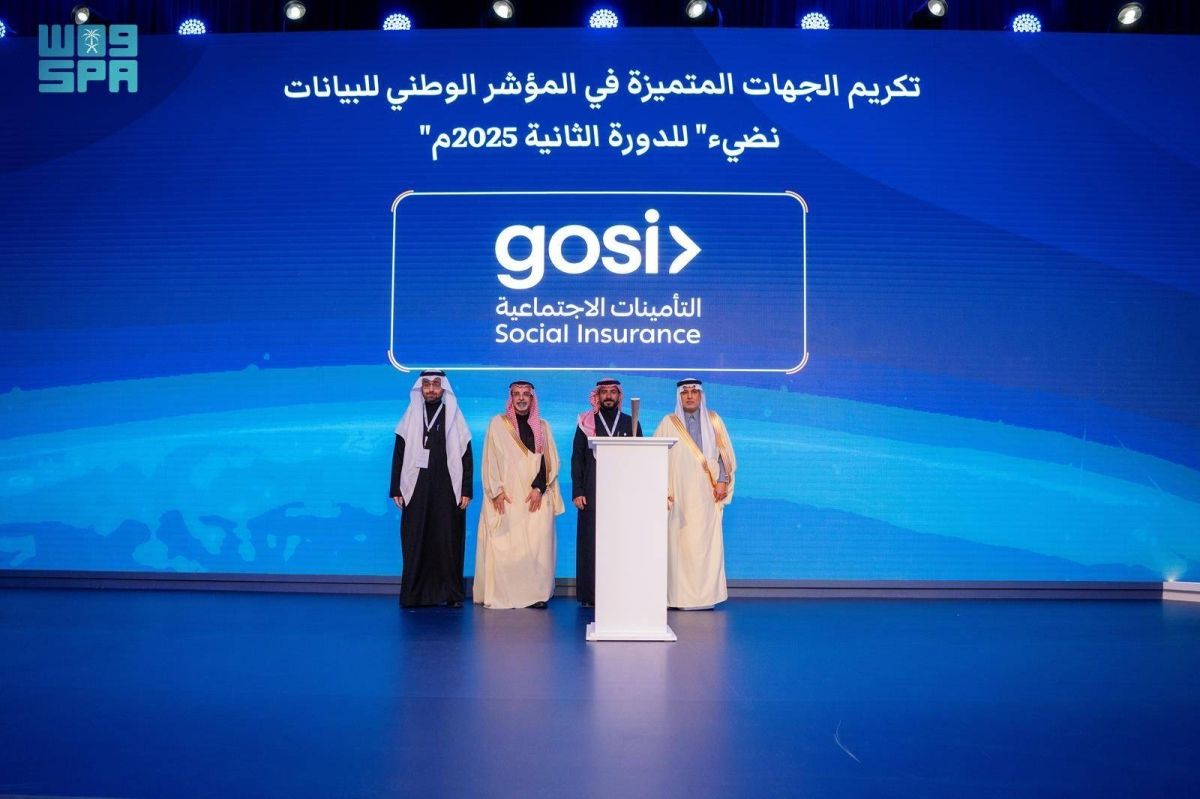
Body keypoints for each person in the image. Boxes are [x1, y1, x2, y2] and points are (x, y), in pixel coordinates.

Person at [474, 380, 564, 609]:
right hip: (507, 496)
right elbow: (490, 459)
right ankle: (505, 594)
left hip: (535, 495)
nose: (521, 398)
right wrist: (496, 492)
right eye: (517, 394)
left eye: (526, 394)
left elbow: (549, 461)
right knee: (507, 546)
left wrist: (539, 488)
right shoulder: (498, 424)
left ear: (532, 399)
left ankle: (535, 595)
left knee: (537, 546)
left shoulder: (543, 426)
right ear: (511, 398)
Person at [389, 370, 473, 608]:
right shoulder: (410, 416)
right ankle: (414, 595)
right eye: (427, 384)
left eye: (436, 384)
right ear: (421, 388)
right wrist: (396, 488)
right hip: (416, 486)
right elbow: (399, 453)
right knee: (416, 538)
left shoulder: (454, 417)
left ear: (443, 388)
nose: (431, 389)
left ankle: (451, 594)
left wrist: (466, 490)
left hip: (448, 487)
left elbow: (466, 455)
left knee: (448, 539)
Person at [653, 378, 737, 610]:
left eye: (694, 392)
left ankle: (705, 598)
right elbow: (654, 458)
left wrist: (722, 481)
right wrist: (662, 492)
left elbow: (724, 455)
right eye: (685, 392)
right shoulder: (668, 423)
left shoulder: (714, 420)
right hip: (678, 496)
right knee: (679, 547)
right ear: (679, 397)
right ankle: (678, 598)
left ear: (701, 395)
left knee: (704, 546)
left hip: (708, 495)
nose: (689, 396)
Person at [570, 377, 642, 607]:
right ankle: (591, 596)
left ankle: (621, 592)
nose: (608, 396)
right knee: (591, 545)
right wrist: (577, 490)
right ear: (597, 396)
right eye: (604, 392)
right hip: (591, 493)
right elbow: (577, 459)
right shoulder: (585, 423)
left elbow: (640, 459)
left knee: (621, 544)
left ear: (619, 396)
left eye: (613, 392)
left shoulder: (631, 422)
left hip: (623, 496)